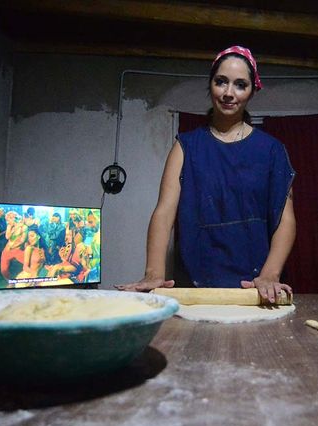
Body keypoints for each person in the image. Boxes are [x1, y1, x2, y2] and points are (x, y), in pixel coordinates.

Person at [116, 45, 296, 303]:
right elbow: (164, 212)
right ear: (210, 84)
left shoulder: (272, 150)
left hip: (255, 289)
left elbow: (285, 220)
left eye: (240, 85)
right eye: (221, 82)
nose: (228, 93)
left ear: (252, 91)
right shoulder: (185, 147)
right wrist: (153, 273)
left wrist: (270, 274)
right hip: (196, 288)